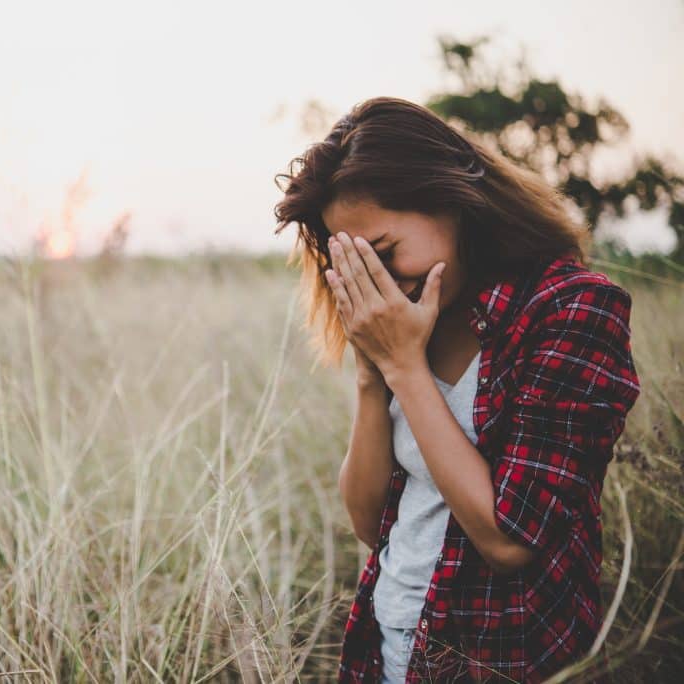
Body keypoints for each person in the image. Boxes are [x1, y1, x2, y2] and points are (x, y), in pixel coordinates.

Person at [272, 97, 642, 683]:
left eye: (386, 251)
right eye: (358, 261)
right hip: (386, 646)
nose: (379, 281)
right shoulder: (408, 320)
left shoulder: (572, 309)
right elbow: (373, 524)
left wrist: (406, 370)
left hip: (503, 658)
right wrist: (373, 376)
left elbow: (510, 540)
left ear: (452, 199)